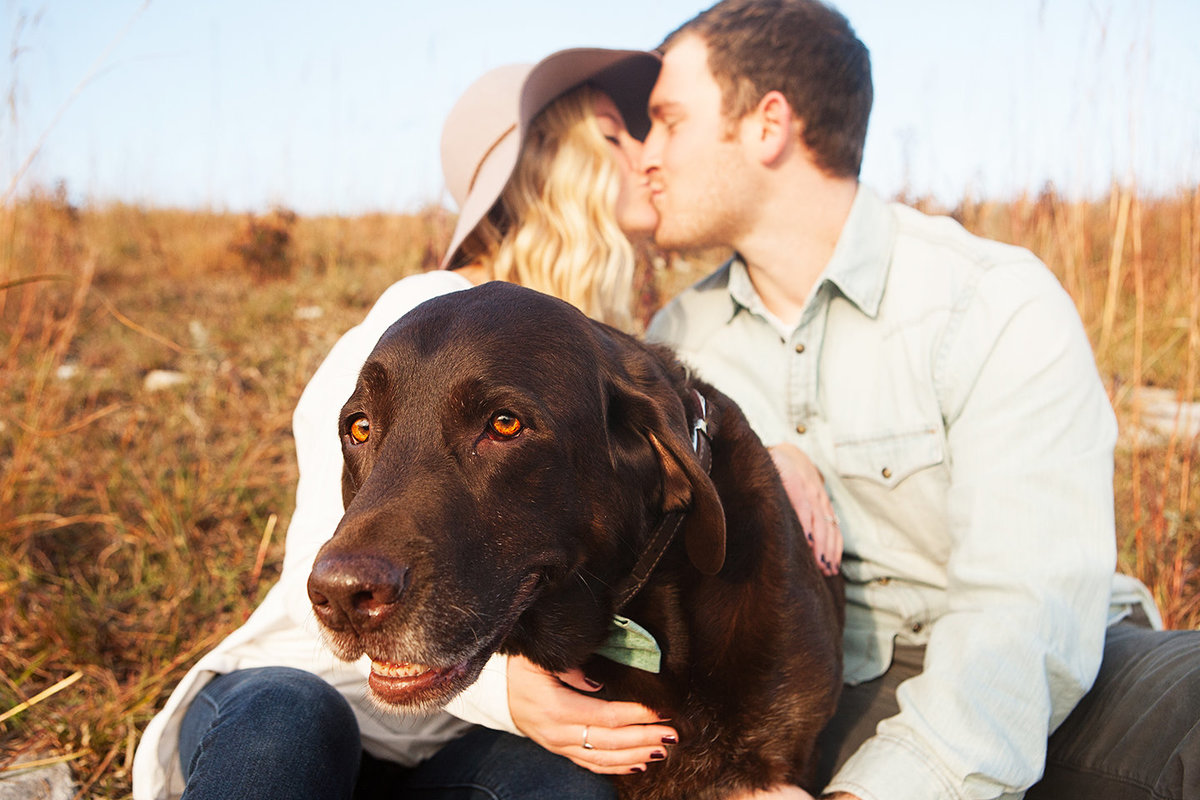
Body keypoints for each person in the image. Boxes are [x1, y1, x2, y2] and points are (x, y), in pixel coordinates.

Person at [631, 1, 1198, 798]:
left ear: (768, 125)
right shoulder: (675, 339)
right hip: (826, 698)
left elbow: (1022, 615)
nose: (646, 156)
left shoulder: (992, 299)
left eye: (668, 121)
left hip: (1064, 683)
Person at [131, 46, 673, 800]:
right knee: (292, 722)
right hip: (311, 697)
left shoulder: (610, 371)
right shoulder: (427, 320)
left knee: (565, 784)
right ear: (551, 163)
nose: (653, 155)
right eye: (619, 136)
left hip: (462, 750)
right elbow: (310, 574)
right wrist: (505, 695)